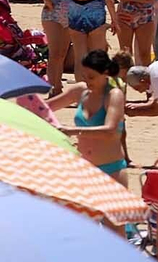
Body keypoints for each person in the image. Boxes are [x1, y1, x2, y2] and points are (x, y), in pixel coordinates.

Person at [49, 50, 128, 180]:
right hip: (83, 168)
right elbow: (46, 107)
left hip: (111, 170)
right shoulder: (80, 90)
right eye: (84, 76)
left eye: (91, 77)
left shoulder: (114, 95)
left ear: (105, 73)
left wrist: (72, 131)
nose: (87, 81)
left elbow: (110, 130)